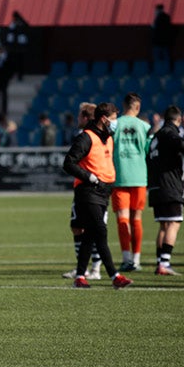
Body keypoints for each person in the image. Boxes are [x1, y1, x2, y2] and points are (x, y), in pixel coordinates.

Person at [62, 101, 133, 290]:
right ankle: (114, 275)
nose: (115, 122)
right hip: (88, 191)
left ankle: (79, 277)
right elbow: (68, 163)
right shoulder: (86, 137)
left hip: (103, 192)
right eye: (113, 119)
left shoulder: (107, 137)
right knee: (100, 230)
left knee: (90, 235)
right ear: (103, 119)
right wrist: (90, 177)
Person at [147, 105, 184, 275]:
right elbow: (179, 143)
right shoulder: (170, 133)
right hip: (169, 185)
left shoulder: (156, 136)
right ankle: (165, 264)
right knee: (174, 223)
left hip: (156, 185)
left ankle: (159, 263)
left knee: (163, 225)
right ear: (178, 119)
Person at [61, 102, 102, 280]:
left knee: (92, 228)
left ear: (86, 118)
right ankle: (84, 268)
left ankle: (95, 269)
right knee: (78, 227)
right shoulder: (92, 136)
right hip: (85, 187)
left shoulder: (88, 137)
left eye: (80, 116)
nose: (77, 119)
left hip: (89, 188)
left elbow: (71, 163)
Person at [112, 93, 152, 272]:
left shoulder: (115, 125)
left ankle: (126, 258)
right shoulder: (145, 126)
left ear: (124, 105)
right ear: (137, 107)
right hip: (139, 177)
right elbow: (149, 151)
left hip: (119, 177)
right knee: (137, 219)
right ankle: (136, 259)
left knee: (122, 219)